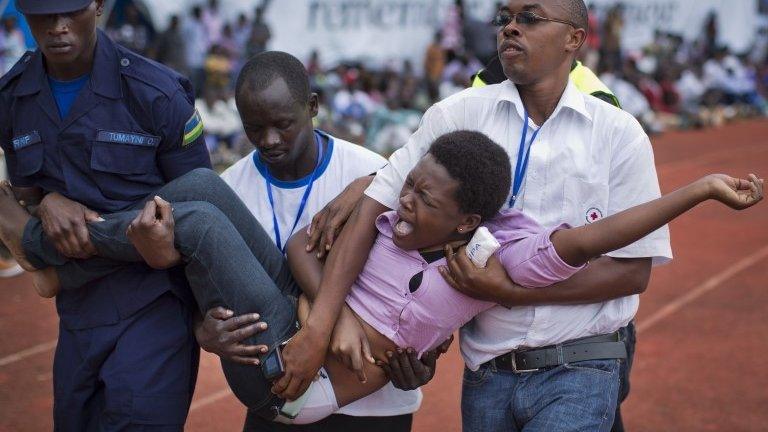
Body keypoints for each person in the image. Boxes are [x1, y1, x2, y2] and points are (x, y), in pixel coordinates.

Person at [0, 132, 761, 427]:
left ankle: (39, 241)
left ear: (464, 224)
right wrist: (329, 312)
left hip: (289, 378)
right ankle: (57, 257)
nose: (401, 204)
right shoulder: (393, 222)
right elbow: (306, 251)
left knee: (194, 225)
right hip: (298, 323)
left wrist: (696, 193)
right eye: (409, 184)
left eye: (424, 201)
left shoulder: (492, 263)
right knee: (201, 194)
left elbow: (596, 239)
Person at [281, 0, 672, 430]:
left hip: (582, 360)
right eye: (504, 18)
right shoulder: (457, 113)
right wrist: (322, 326)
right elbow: (372, 209)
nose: (510, 28)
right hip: (489, 370)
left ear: (574, 39)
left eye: (530, 18)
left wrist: (516, 292)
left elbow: (632, 273)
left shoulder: (618, 133)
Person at [0, 0, 211, 429]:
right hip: (77, 312)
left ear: (97, 5)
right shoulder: (13, 99)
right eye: (44, 13)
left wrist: (208, 320)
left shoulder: (157, 93)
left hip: (155, 307)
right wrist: (45, 203)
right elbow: (24, 201)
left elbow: (204, 210)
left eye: (71, 10)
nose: (58, 27)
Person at [213, 51, 423, 431]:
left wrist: (421, 359)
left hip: (373, 408)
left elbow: (416, 280)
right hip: (280, 399)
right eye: (254, 128)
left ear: (312, 106)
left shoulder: (369, 174)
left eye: (282, 124)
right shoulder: (229, 189)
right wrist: (207, 331)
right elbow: (208, 295)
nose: (269, 140)